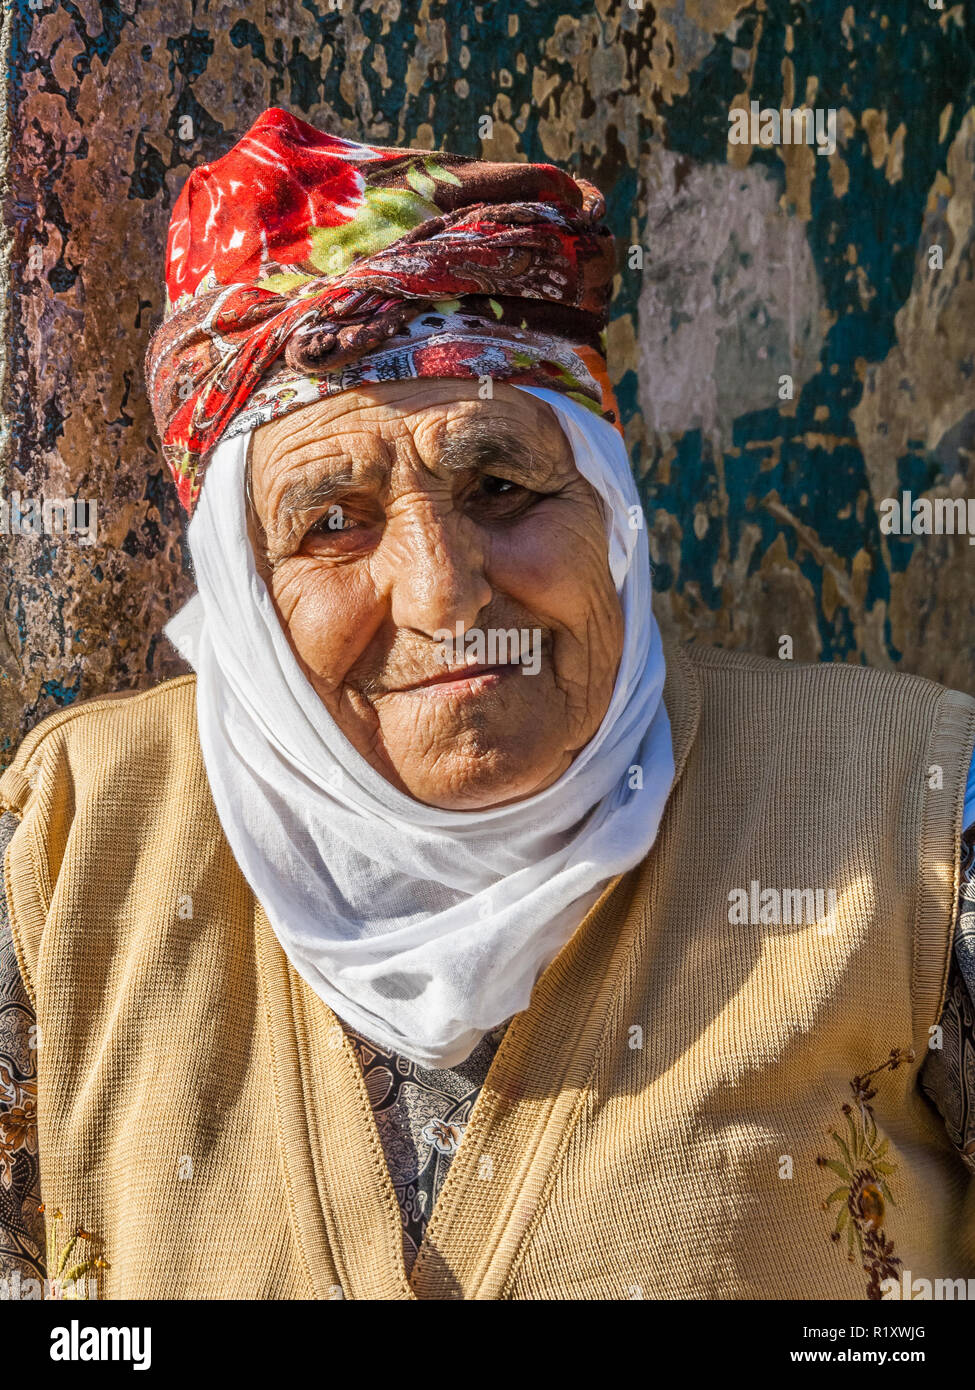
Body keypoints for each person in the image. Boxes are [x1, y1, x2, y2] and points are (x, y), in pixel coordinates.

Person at [1, 107, 974, 1301]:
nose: (446, 596)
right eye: (332, 524)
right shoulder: (64, 849)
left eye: (502, 485)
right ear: (246, 594)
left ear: (607, 502)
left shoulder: (914, 812)